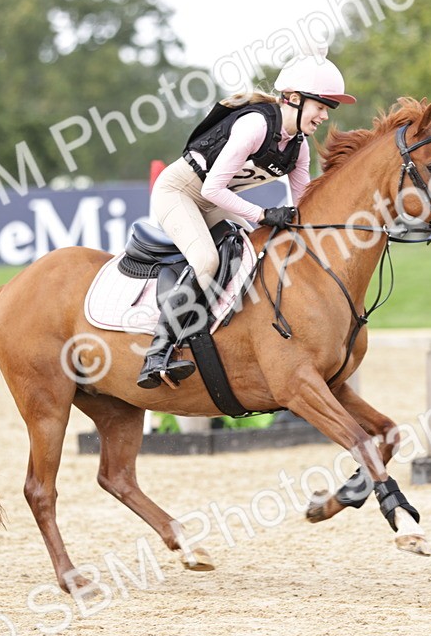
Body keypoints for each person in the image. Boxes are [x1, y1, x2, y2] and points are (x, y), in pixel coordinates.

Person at [136, 53, 357, 390]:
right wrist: (264, 214)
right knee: (207, 260)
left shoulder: (299, 148)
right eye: (321, 106)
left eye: (328, 109)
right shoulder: (255, 125)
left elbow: (303, 208)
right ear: (294, 99)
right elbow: (211, 187)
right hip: (180, 193)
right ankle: (158, 351)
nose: (325, 116)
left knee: (256, 254)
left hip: (214, 201)